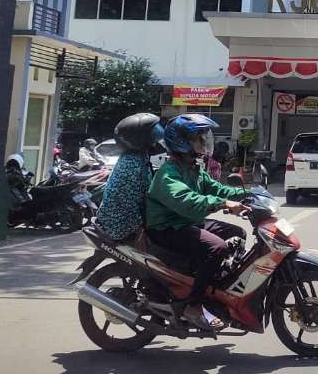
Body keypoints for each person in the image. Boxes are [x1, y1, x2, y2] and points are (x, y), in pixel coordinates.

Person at [145, 113, 249, 331]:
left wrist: (244, 195)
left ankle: (215, 287)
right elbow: (188, 201)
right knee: (216, 248)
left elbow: (215, 188)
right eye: (198, 139)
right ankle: (193, 304)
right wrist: (223, 203)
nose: (204, 143)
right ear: (181, 142)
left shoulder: (193, 168)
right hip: (168, 228)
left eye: (204, 138)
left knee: (237, 234)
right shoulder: (168, 174)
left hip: (187, 223)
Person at [95, 113, 163, 243]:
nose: (156, 141)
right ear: (139, 139)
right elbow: (144, 197)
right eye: (152, 136)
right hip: (123, 225)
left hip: (116, 220)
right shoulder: (135, 164)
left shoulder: (134, 157)